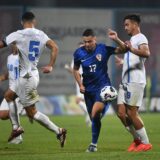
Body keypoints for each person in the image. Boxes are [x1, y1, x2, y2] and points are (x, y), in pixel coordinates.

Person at [0, 11, 67, 147]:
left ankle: (58, 131)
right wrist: (50, 65)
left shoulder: (18, 34)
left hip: (25, 78)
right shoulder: (41, 34)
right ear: (34, 21)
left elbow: (1, 44)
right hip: (33, 75)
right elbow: (55, 47)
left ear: (21, 22)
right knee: (9, 96)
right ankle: (17, 128)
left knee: (32, 113)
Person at [73, 28, 125, 152]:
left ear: (94, 39)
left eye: (89, 41)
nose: (87, 44)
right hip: (88, 90)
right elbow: (75, 69)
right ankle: (94, 144)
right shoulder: (78, 53)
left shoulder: (103, 49)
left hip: (102, 87)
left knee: (95, 112)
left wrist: (116, 39)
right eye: (85, 42)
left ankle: (93, 144)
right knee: (93, 118)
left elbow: (123, 49)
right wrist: (80, 84)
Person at [108, 14, 152, 152]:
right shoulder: (133, 39)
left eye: (127, 24)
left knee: (132, 114)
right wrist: (117, 40)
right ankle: (137, 140)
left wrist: (131, 49)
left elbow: (146, 53)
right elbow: (129, 51)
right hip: (126, 81)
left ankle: (146, 143)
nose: (125, 27)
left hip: (135, 81)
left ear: (134, 24)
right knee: (121, 113)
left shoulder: (141, 37)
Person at [64, 42, 91, 127]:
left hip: (82, 80)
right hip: (87, 79)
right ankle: (89, 116)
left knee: (78, 100)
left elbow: (74, 71)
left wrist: (68, 68)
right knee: (84, 100)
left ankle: (89, 114)